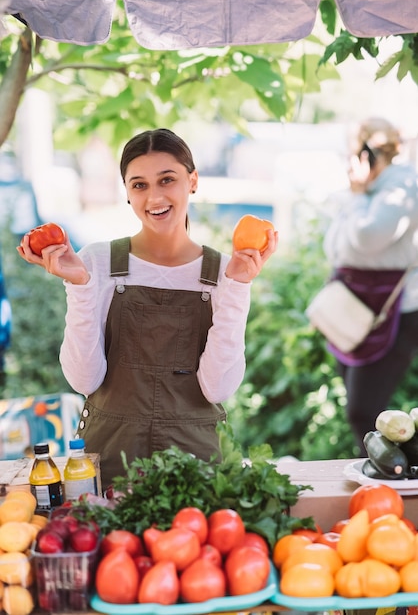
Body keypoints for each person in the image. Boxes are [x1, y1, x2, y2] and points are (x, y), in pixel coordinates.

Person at [17, 128, 278, 490]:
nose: (154, 196)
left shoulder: (224, 273)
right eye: (139, 185)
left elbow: (217, 388)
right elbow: (84, 380)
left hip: (194, 462)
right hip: (109, 455)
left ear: (193, 181)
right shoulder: (97, 262)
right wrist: (79, 286)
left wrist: (237, 287)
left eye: (167, 179)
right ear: (126, 192)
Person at [323, 117, 418, 455]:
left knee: (364, 410)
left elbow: (366, 237)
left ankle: (392, 479)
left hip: (391, 310)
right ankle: (386, 475)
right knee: (362, 408)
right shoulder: (373, 189)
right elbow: (334, 246)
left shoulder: (401, 185)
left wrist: (357, 194)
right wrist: (358, 193)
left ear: (365, 153)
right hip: (359, 305)